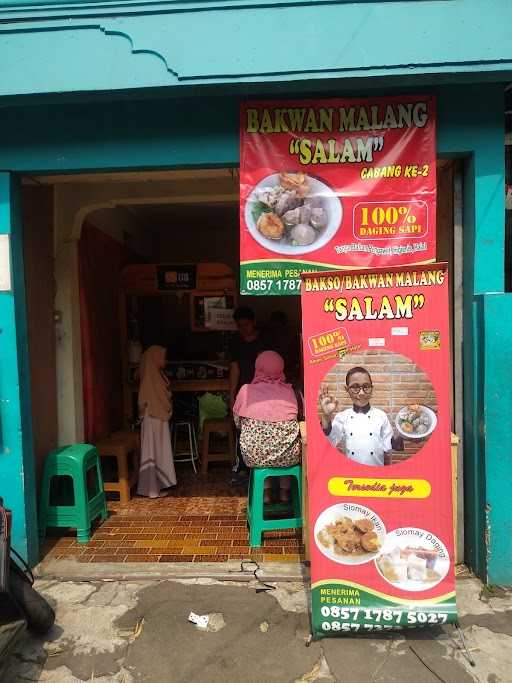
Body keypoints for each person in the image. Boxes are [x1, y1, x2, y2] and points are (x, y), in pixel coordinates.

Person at [233, 351, 302, 503]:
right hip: (288, 456)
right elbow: (298, 418)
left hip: (254, 456)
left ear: (258, 367)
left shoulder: (245, 390)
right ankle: (285, 492)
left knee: (260, 446)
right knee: (285, 442)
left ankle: (266, 493)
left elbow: (237, 423)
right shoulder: (290, 391)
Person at [319, 366, 403, 467]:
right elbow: (330, 439)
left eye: (366, 386)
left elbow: (388, 444)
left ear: (372, 388)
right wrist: (326, 416)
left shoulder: (381, 416)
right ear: (347, 389)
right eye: (355, 387)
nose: (362, 393)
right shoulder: (342, 417)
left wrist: (401, 437)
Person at [229, 307, 269, 482]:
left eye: (245, 325)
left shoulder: (264, 340)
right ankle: (243, 467)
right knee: (242, 430)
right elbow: (234, 368)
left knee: (261, 429)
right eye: (239, 326)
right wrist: (232, 394)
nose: (243, 329)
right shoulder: (235, 342)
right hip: (243, 392)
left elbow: (264, 366)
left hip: (262, 391)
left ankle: (261, 464)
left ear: (253, 322)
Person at [137, 345, 177, 497]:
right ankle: (151, 489)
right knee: (152, 451)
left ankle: (157, 485)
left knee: (158, 450)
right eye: (162, 356)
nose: (164, 359)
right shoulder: (150, 378)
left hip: (157, 416)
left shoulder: (156, 375)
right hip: (152, 416)